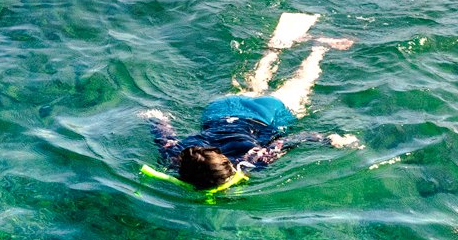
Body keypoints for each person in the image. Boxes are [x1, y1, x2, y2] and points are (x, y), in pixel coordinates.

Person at [140, 13, 359, 193]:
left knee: (300, 84)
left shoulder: (253, 159)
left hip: (264, 115)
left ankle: (318, 48)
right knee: (256, 83)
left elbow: (295, 139)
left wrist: (328, 139)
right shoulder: (175, 154)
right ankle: (275, 47)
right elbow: (163, 130)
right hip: (220, 109)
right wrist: (154, 116)